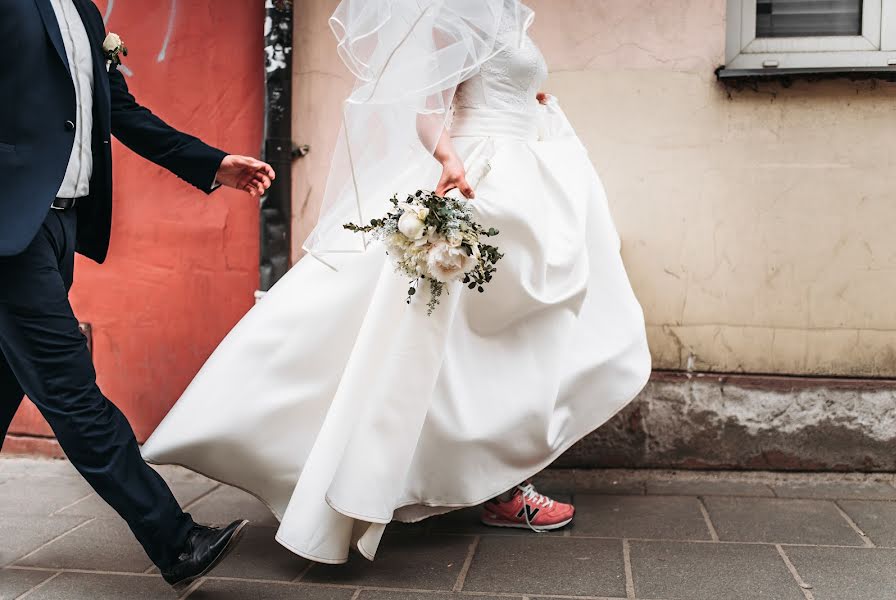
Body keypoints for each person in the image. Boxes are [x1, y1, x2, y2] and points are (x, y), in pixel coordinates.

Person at [143, 0, 651, 564]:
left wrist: (536, 108)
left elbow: (500, 87)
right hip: (481, 182)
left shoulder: (509, 14)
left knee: (508, 341)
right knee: (448, 340)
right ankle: (442, 480)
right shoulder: (456, 15)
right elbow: (428, 111)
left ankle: (496, 482)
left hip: (526, 177)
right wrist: (449, 159)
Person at [0, 0, 275, 590]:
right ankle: (174, 541)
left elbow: (117, 110)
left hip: (58, 225)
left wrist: (211, 164)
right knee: (71, 390)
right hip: (9, 235)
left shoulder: (85, 12)